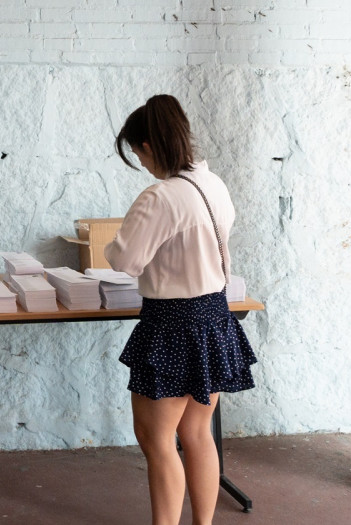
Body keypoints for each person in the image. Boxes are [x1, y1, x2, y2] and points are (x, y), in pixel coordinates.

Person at [105, 94, 257, 525]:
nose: (140, 161)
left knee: (156, 440)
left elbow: (124, 260)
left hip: (172, 324)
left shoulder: (160, 197)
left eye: (136, 153)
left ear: (148, 146)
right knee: (196, 433)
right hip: (213, 318)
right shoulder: (213, 184)